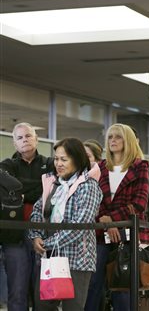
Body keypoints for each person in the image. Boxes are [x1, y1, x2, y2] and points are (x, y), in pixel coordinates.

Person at [29, 137, 102, 310]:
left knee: (73, 308)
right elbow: (37, 212)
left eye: (64, 159)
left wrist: (47, 244)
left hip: (77, 260)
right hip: (49, 257)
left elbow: (80, 226)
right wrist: (36, 236)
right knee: (42, 307)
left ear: (77, 160)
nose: (58, 163)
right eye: (56, 159)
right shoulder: (53, 183)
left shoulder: (88, 186)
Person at [85, 123, 149, 311]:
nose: (113, 140)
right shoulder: (100, 167)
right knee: (93, 283)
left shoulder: (140, 166)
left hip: (127, 234)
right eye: (110, 137)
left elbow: (139, 204)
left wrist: (112, 220)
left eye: (118, 137)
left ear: (128, 140)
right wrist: (107, 223)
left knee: (122, 286)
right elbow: (93, 200)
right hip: (100, 233)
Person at [0, 122, 54, 311]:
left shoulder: (50, 163)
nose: (25, 140)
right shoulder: (6, 165)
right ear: (14, 143)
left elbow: (52, 190)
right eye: (20, 137)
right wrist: (40, 187)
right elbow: (9, 192)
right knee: (17, 288)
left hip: (44, 232)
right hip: (14, 234)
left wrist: (22, 193)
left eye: (28, 136)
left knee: (43, 290)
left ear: (36, 139)